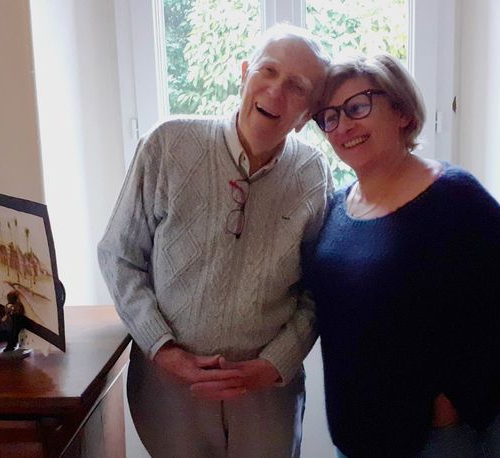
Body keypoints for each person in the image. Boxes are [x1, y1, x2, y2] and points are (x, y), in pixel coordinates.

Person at [98, 24, 333, 457]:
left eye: (297, 88)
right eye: (268, 71)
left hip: (266, 396)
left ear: (308, 115)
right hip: (167, 388)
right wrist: (164, 350)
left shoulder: (313, 175)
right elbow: (119, 256)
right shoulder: (167, 144)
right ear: (245, 74)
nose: (276, 92)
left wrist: (273, 365)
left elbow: (318, 292)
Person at [303, 54, 500, 457]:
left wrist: (457, 405)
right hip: (356, 436)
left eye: (357, 107)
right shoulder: (336, 208)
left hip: (441, 441)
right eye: (329, 117)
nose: (342, 125)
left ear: (402, 112)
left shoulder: (456, 198)